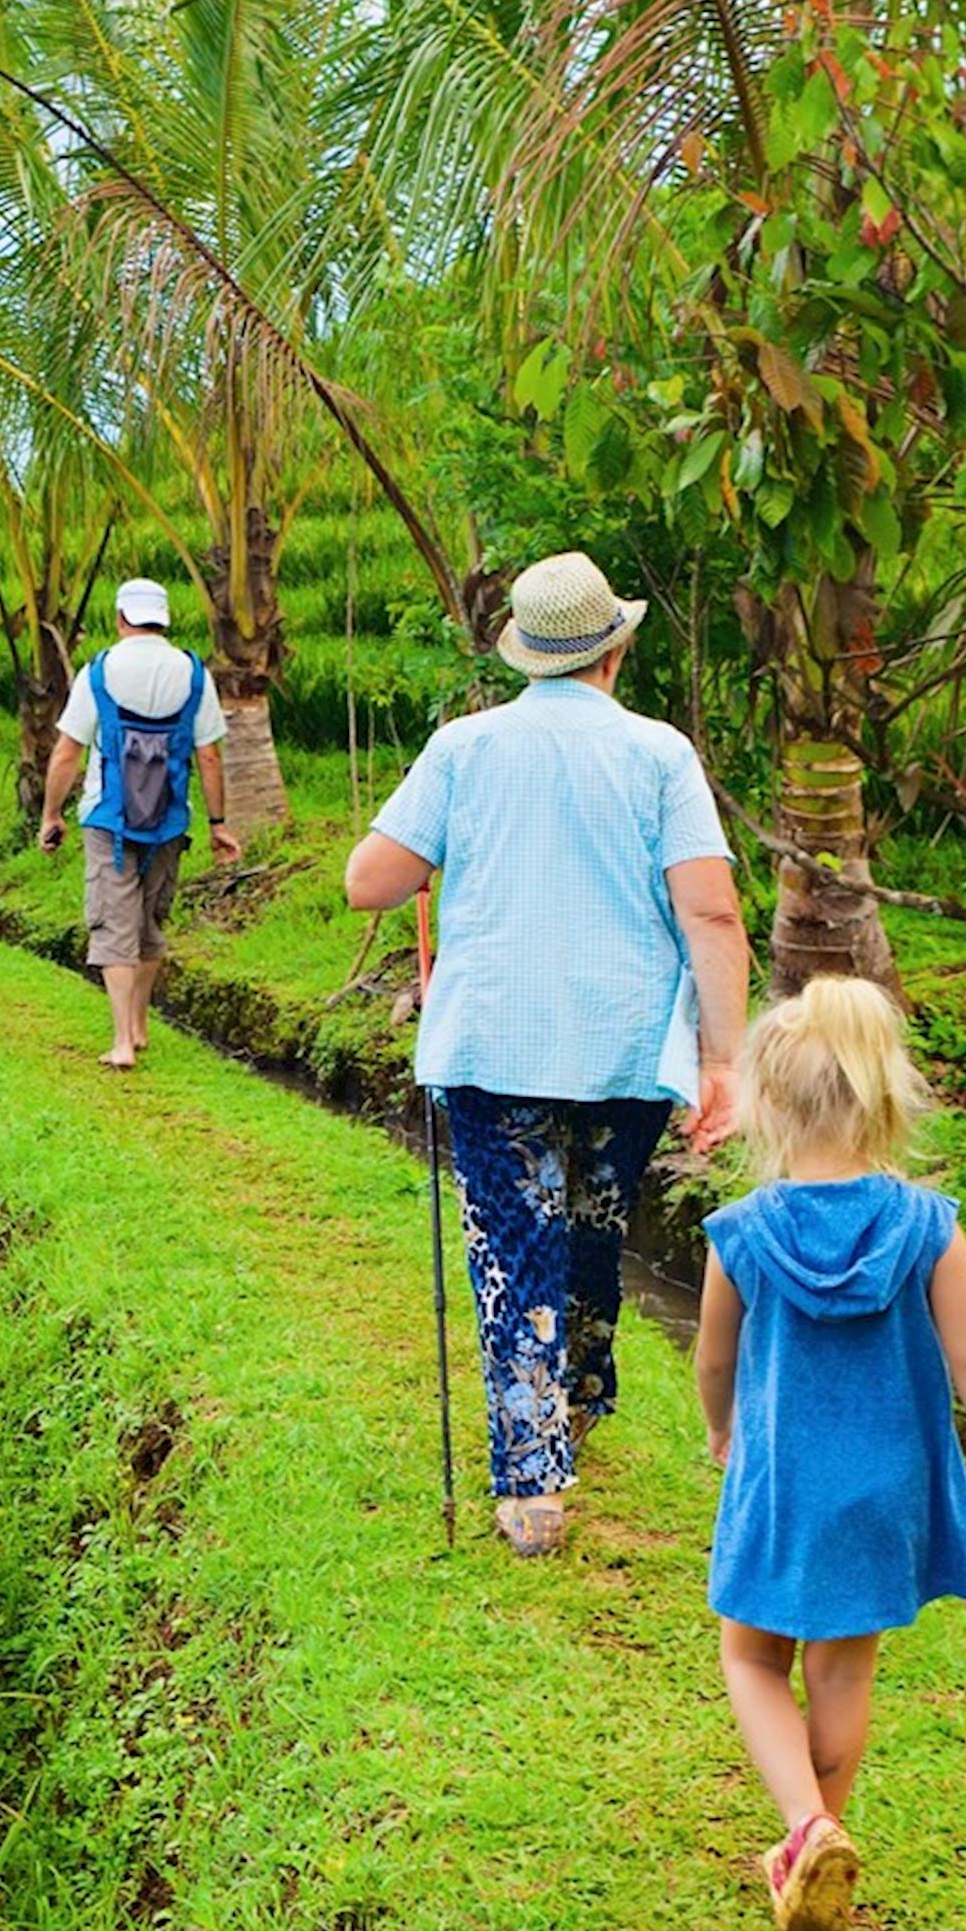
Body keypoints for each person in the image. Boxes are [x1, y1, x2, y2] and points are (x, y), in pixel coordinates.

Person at [344, 551, 749, 1556]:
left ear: (526, 655)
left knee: (511, 1245)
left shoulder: (463, 748)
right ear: (613, 650)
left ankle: (531, 1484)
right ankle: (573, 1407)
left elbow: (369, 882)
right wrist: (723, 1060)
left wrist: (435, 846)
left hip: (493, 1043)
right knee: (589, 1231)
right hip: (620, 1049)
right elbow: (711, 913)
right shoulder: (659, 755)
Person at [697, 978, 966, 1931]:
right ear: (886, 1100)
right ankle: (821, 1841)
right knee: (843, 1669)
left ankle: (805, 1829)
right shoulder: (927, 1227)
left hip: (785, 1481)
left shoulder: (744, 1233)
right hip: (886, 1489)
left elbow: (713, 1357)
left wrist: (722, 1432)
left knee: (750, 1653)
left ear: (767, 1102)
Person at [38, 576, 239, 1068]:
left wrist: (51, 814)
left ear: (121, 618)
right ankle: (140, 1024)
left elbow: (68, 751)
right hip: (170, 820)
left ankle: (123, 1042)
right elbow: (209, 756)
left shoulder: (100, 671)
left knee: (113, 925)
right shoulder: (192, 673)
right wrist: (217, 823)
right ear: (163, 619)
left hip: (109, 819)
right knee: (149, 923)